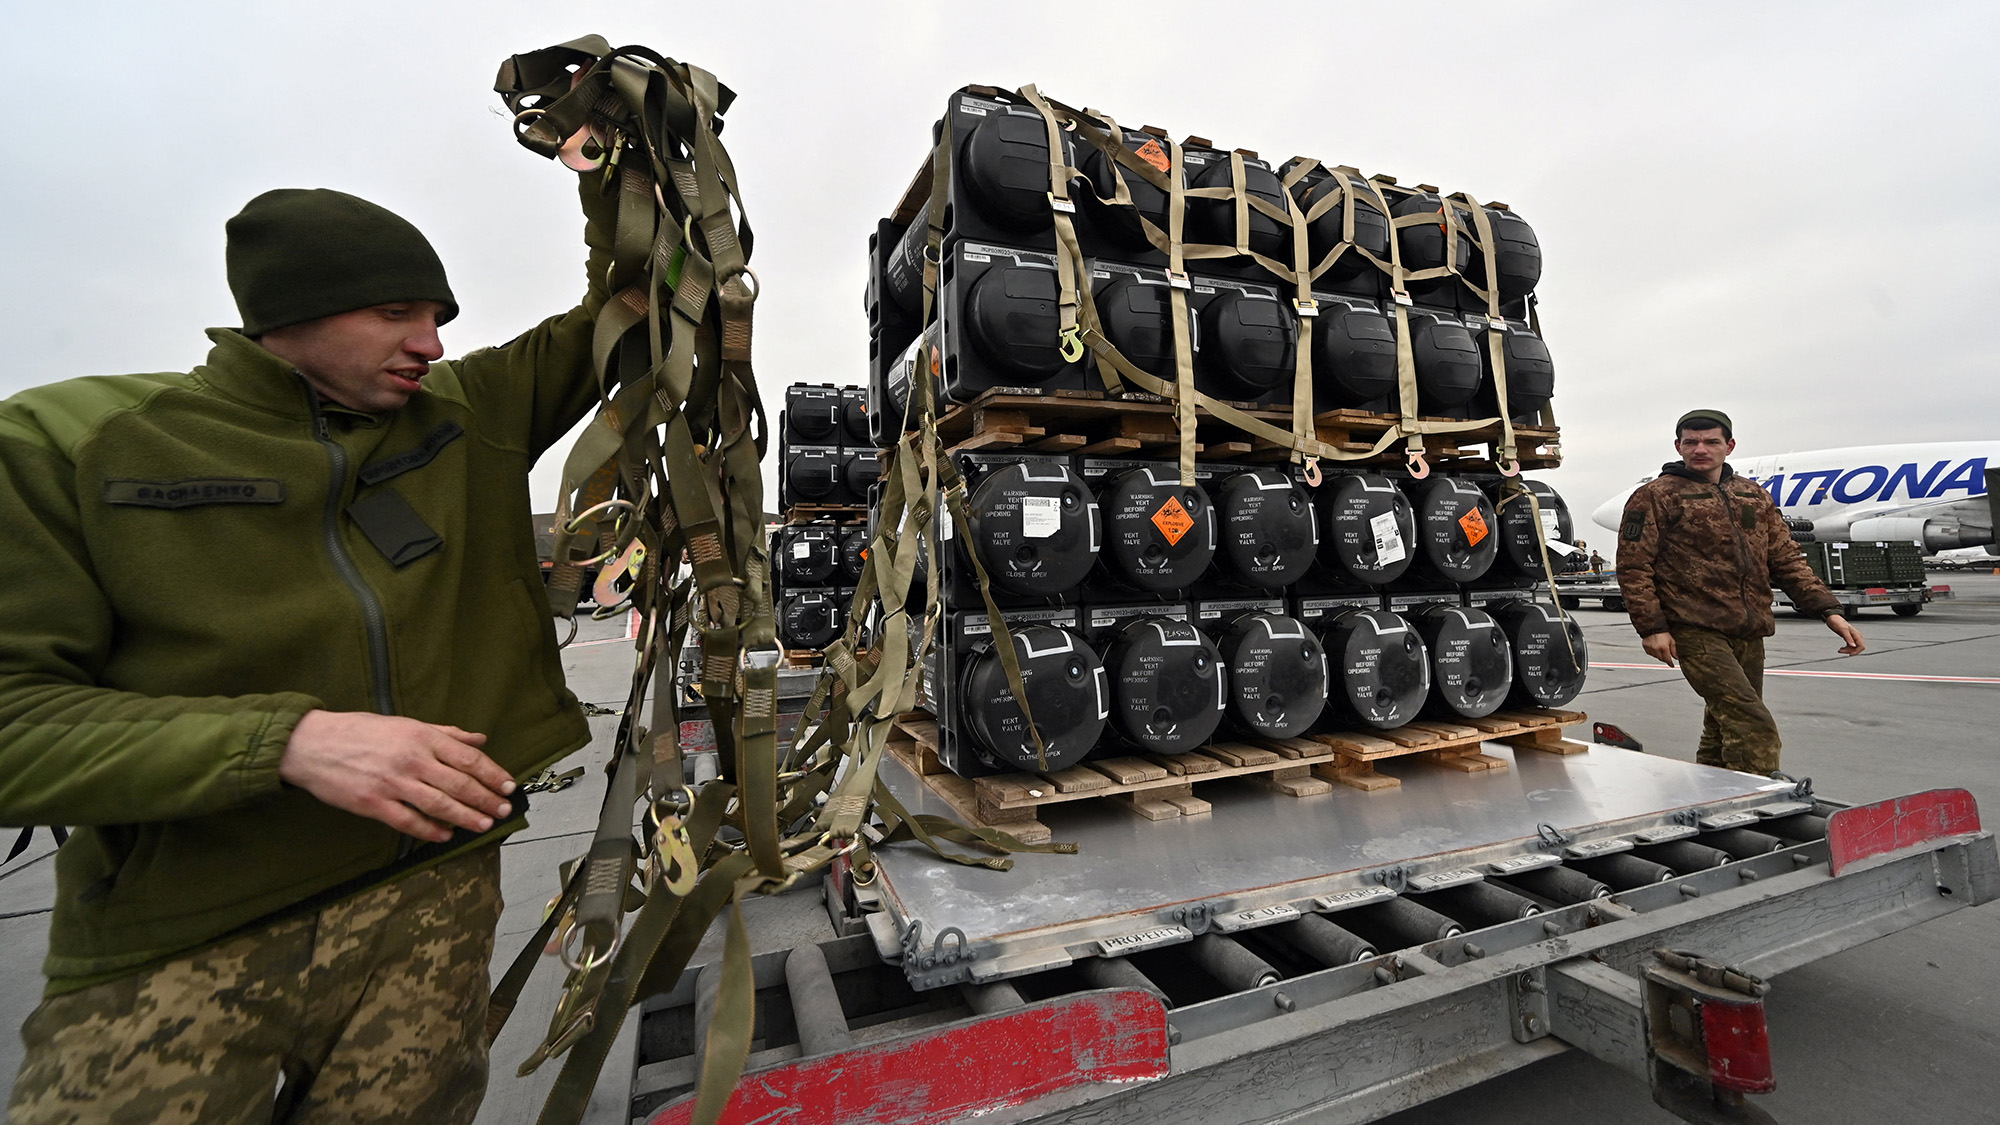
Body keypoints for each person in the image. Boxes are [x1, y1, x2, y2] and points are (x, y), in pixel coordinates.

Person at [0, 160, 614, 1120]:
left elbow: (633, 301)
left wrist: (616, 145)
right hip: (184, 938)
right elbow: (14, 718)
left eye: (439, 313)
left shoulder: (471, 411)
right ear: (288, 315)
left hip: (435, 903)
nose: (431, 341)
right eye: (396, 313)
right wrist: (287, 741)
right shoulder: (74, 444)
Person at [1615, 409, 1864, 775]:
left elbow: (1786, 559)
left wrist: (1830, 611)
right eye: (1691, 442)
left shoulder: (1753, 496)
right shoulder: (1654, 496)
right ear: (1678, 446)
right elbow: (1634, 566)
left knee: (1723, 722)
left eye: (1711, 441)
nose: (1701, 449)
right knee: (1751, 722)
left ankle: (1711, 788)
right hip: (1695, 629)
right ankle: (1761, 797)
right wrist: (1652, 628)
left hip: (1748, 630)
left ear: (1729, 446)